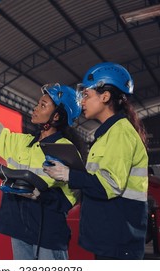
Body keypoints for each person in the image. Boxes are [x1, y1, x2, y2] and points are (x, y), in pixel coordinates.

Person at [0, 76, 86, 260]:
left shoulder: (65, 150)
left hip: (47, 233)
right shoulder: (22, 142)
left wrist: (42, 196)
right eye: (38, 103)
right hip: (19, 229)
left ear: (56, 116)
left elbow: (73, 195)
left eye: (43, 105)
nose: (36, 108)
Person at [43, 62, 149, 260]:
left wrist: (69, 175)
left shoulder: (119, 133)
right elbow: (96, 179)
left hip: (119, 239)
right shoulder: (107, 134)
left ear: (105, 96)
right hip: (110, 235)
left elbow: (107, 185)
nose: (82, 102)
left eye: (86, 95)